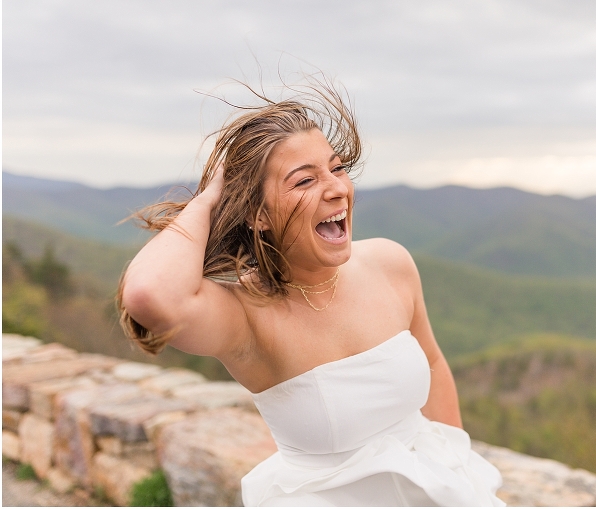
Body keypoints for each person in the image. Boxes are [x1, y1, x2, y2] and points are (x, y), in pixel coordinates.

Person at [117, 77, 504, 506]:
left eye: (337, 168)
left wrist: (456, 469)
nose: (337, 188)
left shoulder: (390, 263)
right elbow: (150, 296)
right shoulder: (245, 315)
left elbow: (432, 361)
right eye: (304, 181)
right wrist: (209, 199)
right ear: (258, 214)